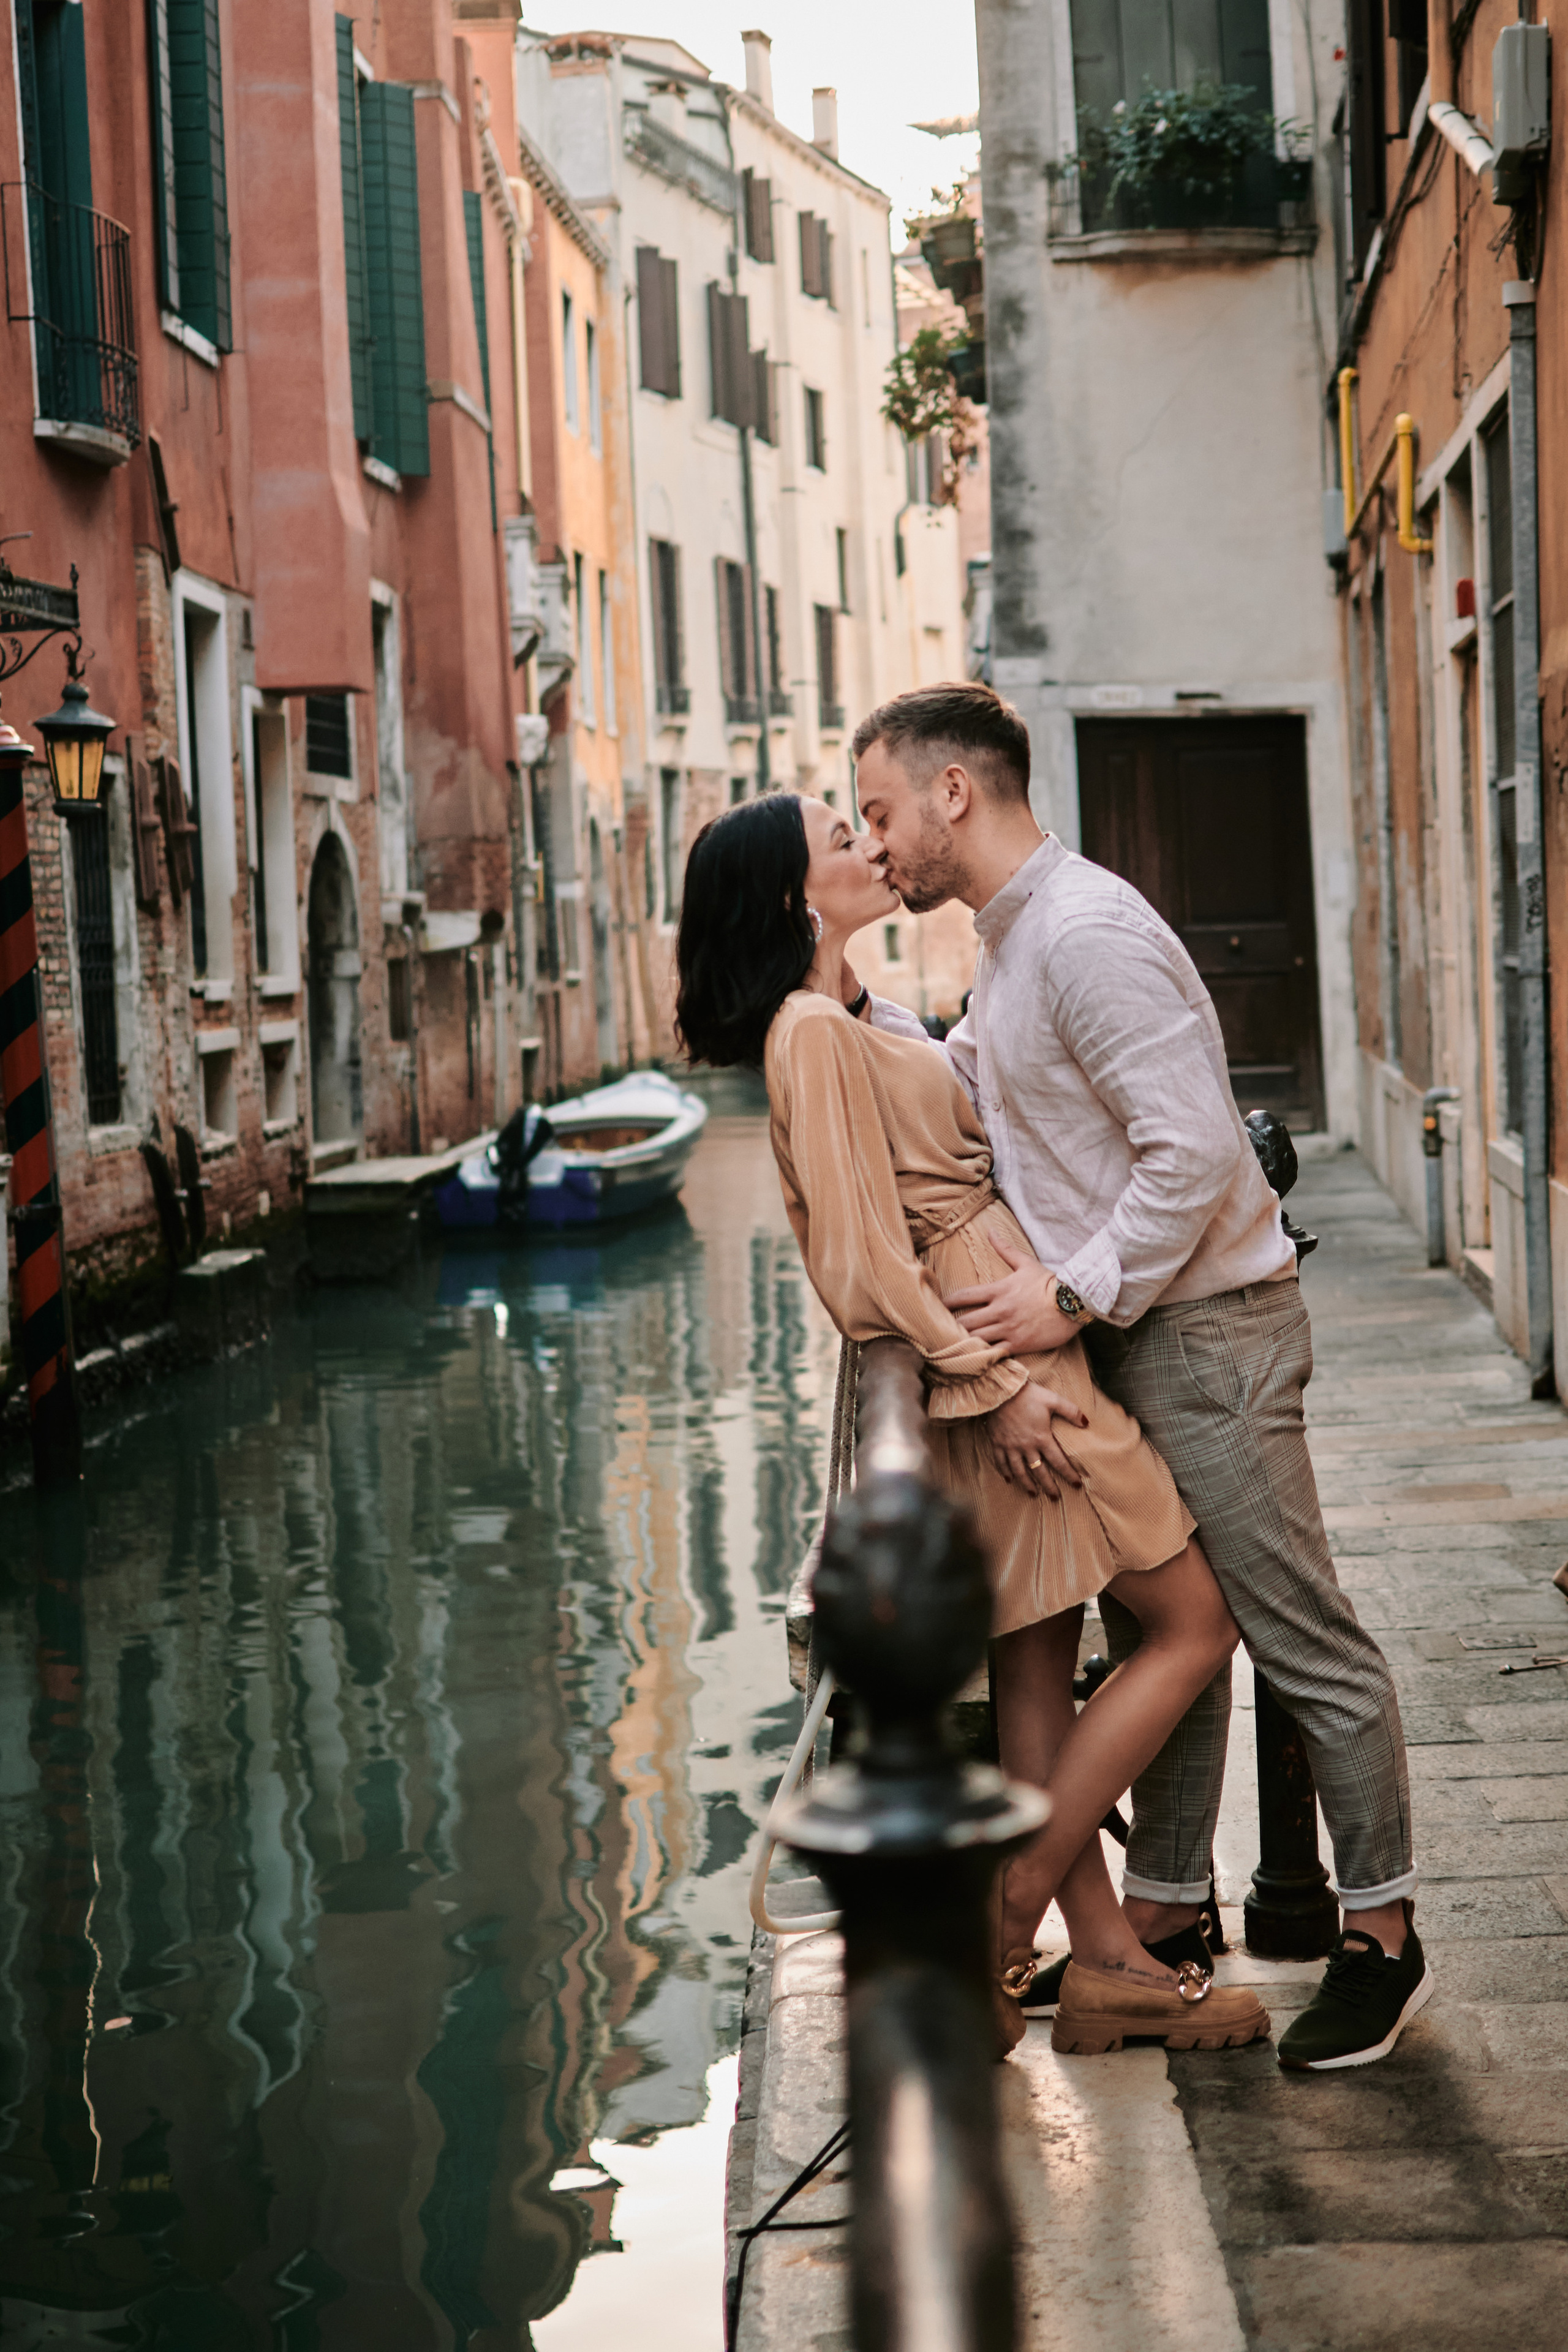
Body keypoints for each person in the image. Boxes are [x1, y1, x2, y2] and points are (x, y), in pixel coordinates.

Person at [850, 681, 1431, 2075]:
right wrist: (829, 994)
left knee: (1297, 1634)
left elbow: (1191, 1153)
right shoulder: (1011, 944)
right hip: (1130, 1340)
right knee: (1165, 1640)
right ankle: (1162, 1917)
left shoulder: (1087, 933)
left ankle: (1381, 1940)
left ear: (953, 792)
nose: (876, 847)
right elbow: (971, 1094)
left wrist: (1062, 1292)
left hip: (1208, 1334)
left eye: (881, 813)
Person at [674, 787, 1272, 2058]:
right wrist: (990, 1386)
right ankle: (1005, 1914)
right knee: (1191, 1617)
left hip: (997, 1329)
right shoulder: (808, 1036)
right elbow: (858, 1264)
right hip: (990, 1360)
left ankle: (1103, 1961)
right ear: (794, 898)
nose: (869, 846)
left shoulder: (852, 1015)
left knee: (1033, 1669)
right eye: (843, 841)